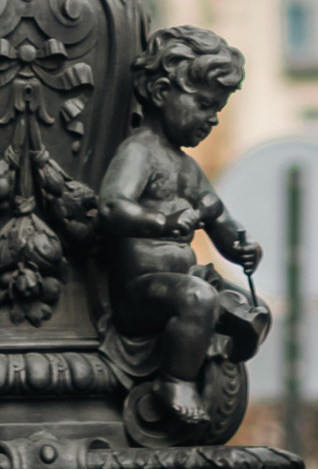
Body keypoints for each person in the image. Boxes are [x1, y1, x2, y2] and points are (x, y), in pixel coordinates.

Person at [97, 25, 267, 429]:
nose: (213, 120)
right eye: (205, 105)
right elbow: (112, 204)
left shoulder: (188, 169)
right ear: (161, 93)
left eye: (218, 110)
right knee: (197, 298)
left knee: (243, 303)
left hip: (184, 283)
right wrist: (163, 222)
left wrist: (241, 247)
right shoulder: (140, 152)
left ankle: (227, 341)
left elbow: (219, 219)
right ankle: (176, 381)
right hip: (142, 291)